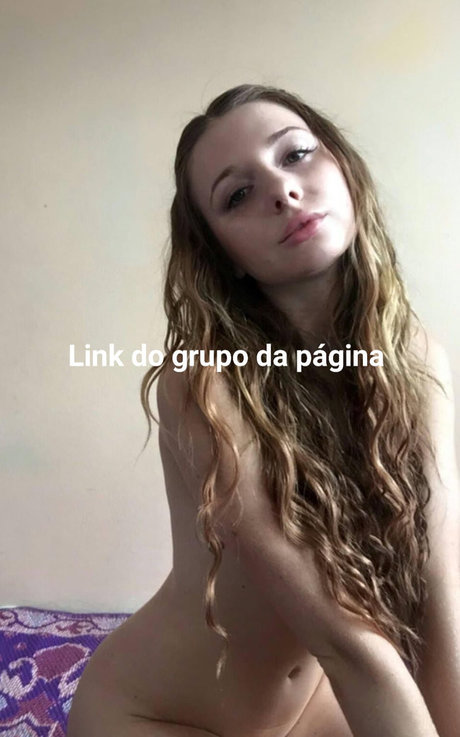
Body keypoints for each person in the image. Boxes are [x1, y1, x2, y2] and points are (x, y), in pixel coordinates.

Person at [67, 84, 460, 737]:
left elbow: (438, 601)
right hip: (158, 715)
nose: (282, 190)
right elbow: (348, 642)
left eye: (296, 154)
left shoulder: (414, 356)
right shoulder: (204, 385)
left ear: (344, 168)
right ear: (223, 255)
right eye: (238, 194)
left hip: (312, 709)